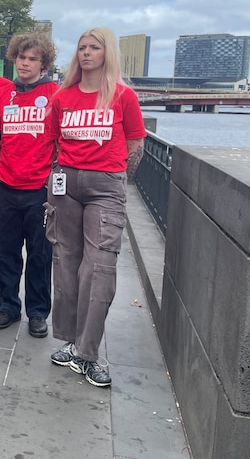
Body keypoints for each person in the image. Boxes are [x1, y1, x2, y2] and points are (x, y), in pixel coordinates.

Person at [45, 27, 146, 388]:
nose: (86, 53)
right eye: (82, 47)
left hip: (105, 184)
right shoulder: (62, 97)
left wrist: (117, 179)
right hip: (66, 183)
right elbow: (53, 138)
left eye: (94, 47)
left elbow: (135, 141)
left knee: (100, 267)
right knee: (66, 262)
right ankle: (70, 342)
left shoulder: (122, 96)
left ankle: (88, 353)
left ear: (108, 53)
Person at [0, 33, 59, 338]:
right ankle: (8, 306)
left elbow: (62, 142)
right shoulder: (3, 95)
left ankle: (38, 312)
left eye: (32, 59)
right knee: (4, 251)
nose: (25, 63)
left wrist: (50, 180)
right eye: (21, 57)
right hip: (5, 188)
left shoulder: (56, 94)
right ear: (13, 59)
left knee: (40, 255)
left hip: (39, 192)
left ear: (43, 64)